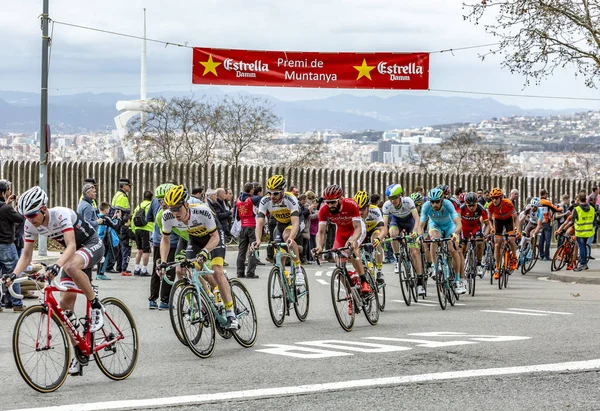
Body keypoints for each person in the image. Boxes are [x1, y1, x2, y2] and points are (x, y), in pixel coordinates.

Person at [8, 186, 105, 375]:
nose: (29, 220)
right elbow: (26, 256)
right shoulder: (30, 224)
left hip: (91, 244)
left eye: (32, 215)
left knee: (69, 266)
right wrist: (13, 275)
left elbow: (71, 246)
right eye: (26, 216)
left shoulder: (60, 215)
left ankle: (96, 305)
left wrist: (56, 266)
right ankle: (80, 352)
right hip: (74, 255)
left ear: (43, 209)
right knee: (65, 309)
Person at [158, 185, 239, 330]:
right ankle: (208, 298)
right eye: (172, 208)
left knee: (217, 271)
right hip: (194, 238)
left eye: (178, 208)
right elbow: (165, 239)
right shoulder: (167, 215)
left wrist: (205, 252)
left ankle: (231, 313)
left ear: (186, 205)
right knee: (187, 269)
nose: (175, 212)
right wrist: (163, 262)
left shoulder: (202, 211)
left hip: (213, 237)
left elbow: (214, 237)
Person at [315, 184, 368, 299]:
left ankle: (364, 280)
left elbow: (358, 228)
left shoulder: (351, 204)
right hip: (341, 232)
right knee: (339, 264)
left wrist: (353, 240)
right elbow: (321, 232)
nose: (330, 205)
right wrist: (319, 246)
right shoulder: (324, 209)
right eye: (327, 202)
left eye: (332, 202)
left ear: (340, 199)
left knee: (351, 248)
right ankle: (351, 295)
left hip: (355, 230)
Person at [252, 175, 305, 284]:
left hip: (293, 222)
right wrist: (257, 240)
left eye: (275, 193)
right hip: (280, 224)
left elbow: (295, 223)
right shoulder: (265, 200)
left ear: (282, 191)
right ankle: (285, 286)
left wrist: (290, 238)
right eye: (270, 192)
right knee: (278, 260)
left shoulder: (290, 199)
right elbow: (260, 222)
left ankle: (298, 269)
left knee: (287, 237)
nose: (272, 196)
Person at [381, 184, 424, 294]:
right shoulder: (386, 206)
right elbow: (385, 226)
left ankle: (420, 282)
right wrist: (381, 237)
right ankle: (397, 258)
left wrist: (415, 231)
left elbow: (416, 218)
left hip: (410, 222)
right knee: (392, 233)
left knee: (414, 252)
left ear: (400, 195)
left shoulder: (408, 201)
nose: (393, 201)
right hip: (397, 222)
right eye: (390, 198)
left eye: (395, 197)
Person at [419, 188, 464, 294]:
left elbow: (458, 223)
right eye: (432, 202)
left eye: (437, 201)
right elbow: (420, 225)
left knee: (453, 249)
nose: (434, 204)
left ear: (442, 200)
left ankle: (458, 280)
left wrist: (455, 234)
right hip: (435, 225)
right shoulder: (426, 206)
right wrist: (420, 236)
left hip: (449, 226)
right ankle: (435, 267)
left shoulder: (448, 204)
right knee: (434, 238)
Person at [147, 183, 176, 310]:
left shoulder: (154, 204)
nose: (162, 203)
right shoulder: (171, 211)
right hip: (170, 241)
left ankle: (153, 299)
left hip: (158, 240)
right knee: (167, 268)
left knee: (157, 268)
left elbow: (148, 217)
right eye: (160, 200)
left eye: (163, 200)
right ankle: (164, 300)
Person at [0, 179, 25, 311]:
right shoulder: (6, 209)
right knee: (13, 273)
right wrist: (19, 205)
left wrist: (7, 203)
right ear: (3, 192)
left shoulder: (5, 207)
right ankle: (17, 304)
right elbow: (20, 218)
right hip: (6, 246)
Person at [487, 187, 519, 279]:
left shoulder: (508, 203)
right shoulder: (490, 206)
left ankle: (514, 257)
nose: (494, 200)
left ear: (501, 198)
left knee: (511, 239)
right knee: (497, 244)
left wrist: (517, 229)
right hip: (498, 221)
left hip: (508, 220)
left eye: (496, 198)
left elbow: (516, 218)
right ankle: (497, 268)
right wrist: (492, 228)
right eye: (492, 198)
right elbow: (489, 219)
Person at [354, 190, 385, 282]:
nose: (360, 212)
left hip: (373, 230)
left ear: (368, 206)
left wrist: (380, 238)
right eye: (358, 209)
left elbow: (382, 228)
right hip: (360, 231)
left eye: (363, 208)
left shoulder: (375, 210)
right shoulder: (353, 212)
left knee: (375, 239)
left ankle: (379, 270)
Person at [460, 192, 491, 279]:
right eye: (469, 206)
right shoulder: (461, 208)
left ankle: (478, 264)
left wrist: (485, 235)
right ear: (466, 204)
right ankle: (461, 263)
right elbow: (456, 222)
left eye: (473, 205)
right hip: (464, 228)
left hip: (475, 227)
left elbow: (487, 224)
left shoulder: (481, 208)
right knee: (462, 246)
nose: (472, 207)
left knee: (480, 241)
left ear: (477, 203)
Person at [235, 182, 261, 279]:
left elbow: (237, 216)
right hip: (252, 226)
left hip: (243, 226)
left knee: (241, 250)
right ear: (251, 190)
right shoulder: (252, 199)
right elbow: (260, 199)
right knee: (252, 249)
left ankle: (240, 272)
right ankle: (250, 272)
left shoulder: (237, 201)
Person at [110, 178, 132, 272]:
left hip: (117, 223)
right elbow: (120, 211)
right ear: (124, 186)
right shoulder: (122, 196)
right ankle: (120, 267)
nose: (130, 187)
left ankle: (119, 266)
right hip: (120, 224)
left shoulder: (118, 195)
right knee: (121, 246)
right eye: (129, 185)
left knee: (119, 245)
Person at [132, 190, 154, 276]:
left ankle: (136, 268)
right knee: (146, 250)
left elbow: (134, 217)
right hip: (147, 229)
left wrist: (134, 229)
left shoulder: (139, 206)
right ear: (151, 198)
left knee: (139, 250)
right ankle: (144, 270)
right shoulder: (151, 206)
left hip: (137, 229)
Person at [572, 193, 595, 271]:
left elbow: (572, 220)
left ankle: (582, 264)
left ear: (579, 199)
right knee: (584, 246)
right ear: (585, 199)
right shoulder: (592, 208)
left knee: (581, 247)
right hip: (589, 231)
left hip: (580, 232)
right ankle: (584, 263)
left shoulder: (577, 209)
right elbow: (594, 220)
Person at [538, 189, 563, 260]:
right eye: (547, 194)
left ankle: (541, 255)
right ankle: (546, 256)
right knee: (548, 240)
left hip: (540, 222)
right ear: (545, 194)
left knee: (541, 240)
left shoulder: (538, 201)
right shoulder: (546, 202)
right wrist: (560, 208)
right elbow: (556, 209)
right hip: (546, 222)